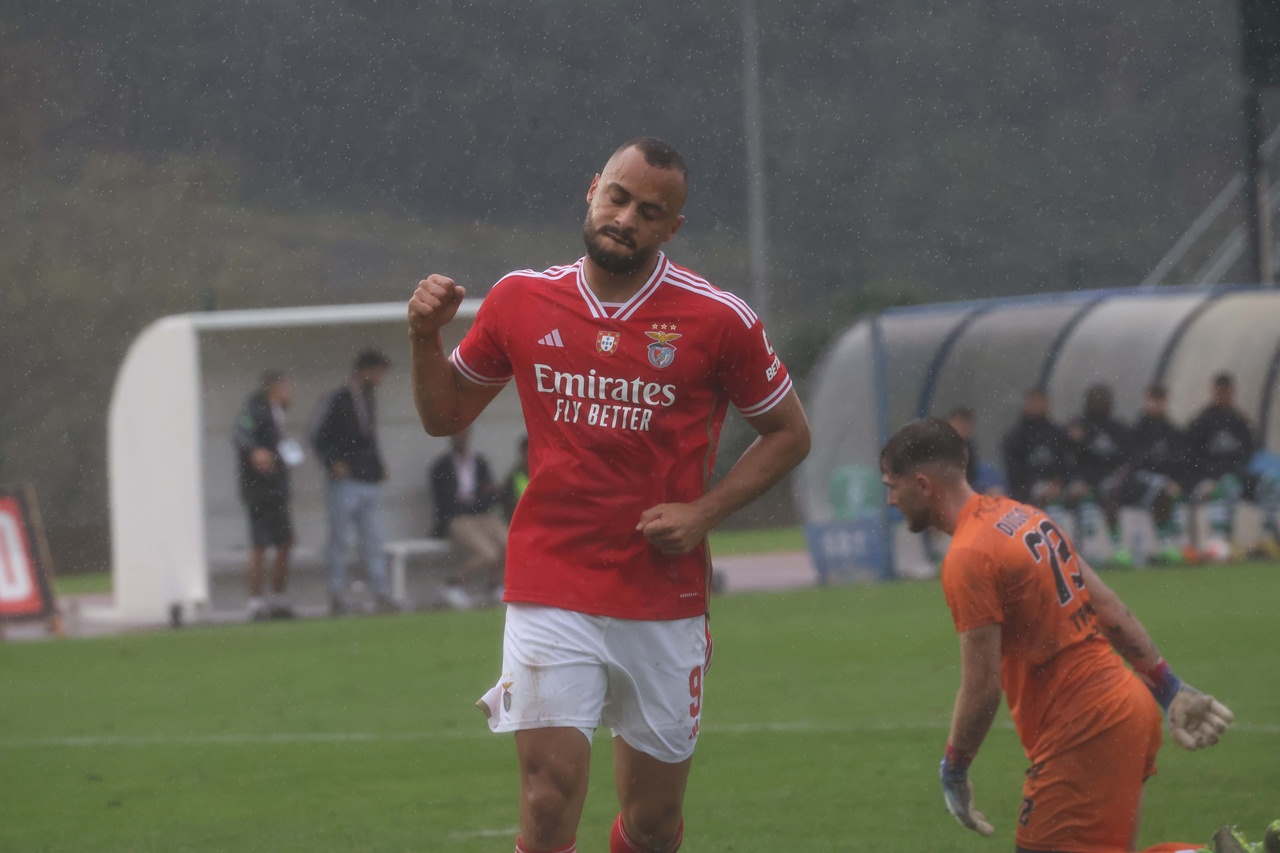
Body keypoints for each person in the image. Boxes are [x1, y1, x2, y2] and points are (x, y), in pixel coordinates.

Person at [407, 137, 810, 853]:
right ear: (592, 190)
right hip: (550, 577)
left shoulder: (718, 320)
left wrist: (704, 510)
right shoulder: (520, 299)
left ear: (671, 228)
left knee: (653, 823)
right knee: (546, 796)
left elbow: (788, 432)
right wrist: (423, 338)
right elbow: (445, 416)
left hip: (661, 595)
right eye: (617, 197)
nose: (626, 217)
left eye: (649, 211)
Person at [879, 418, 1234, 853]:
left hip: (1083, 728)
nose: (890, 500)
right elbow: (1108, 609)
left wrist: (954, 769)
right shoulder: (1024, 516)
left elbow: (981, 686)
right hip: (1124, 705)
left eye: (892, 486)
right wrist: (1167, 687)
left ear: (923, 484)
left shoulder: (969, 555)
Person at [312, 348, 396, 615]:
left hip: (367, 477)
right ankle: (336, 593)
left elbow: (369, 438)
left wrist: (378, 465)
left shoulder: (368, 398)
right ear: (366, 371)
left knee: (373, 538)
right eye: (379, 372)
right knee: (340, 539)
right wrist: (332, 461)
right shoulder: (337, 399)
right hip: (345, 480)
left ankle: (380, 591)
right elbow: (317, 435)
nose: (381, 379)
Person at [232, 370, 299, 620]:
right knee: (259, 545)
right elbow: (240, 433)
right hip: (258, 489)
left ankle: (278, 598)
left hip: (277, 488)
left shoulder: (279, 412)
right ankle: (255, 601)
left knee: (285, 542)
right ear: (274, 387)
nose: (289, 392)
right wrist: (255, 452)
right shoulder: (254, 408)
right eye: (285, 387)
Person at [429, 427, 506, 609]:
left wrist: (476, 502)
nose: (461, 438)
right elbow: (446, 502)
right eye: (457, 434)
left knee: (509, 543)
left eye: (464, 434)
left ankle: (495, 585)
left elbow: (490, 494)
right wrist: (475, 502)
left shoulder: (479, 462)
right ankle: (453, 583)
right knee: (489, 553)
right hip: (458, 518)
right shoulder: (441, 466)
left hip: (482, 515)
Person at [1184, 373, 1255, 558]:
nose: (1224, 395)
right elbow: (1191, 457)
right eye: (1220, 392)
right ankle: (1219, 543)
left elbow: (1250, 453)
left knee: (1271, 486)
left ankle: (1269, 542)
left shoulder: (1241, 421)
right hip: (1210, 479)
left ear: (1233, 392)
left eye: (1228, 392)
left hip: (1239, 478)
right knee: (1224, 488)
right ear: (1213, 391)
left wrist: (1241, 473)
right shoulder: (1202, 421)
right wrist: (1206, 478)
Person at [1066, 384, 1132, 563]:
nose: (1099, 403)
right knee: (1078, 497)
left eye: (1103, 399)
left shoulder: (1118, 428)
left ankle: (1118, 548)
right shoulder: (1078, 426)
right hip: (1083, 480)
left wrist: (1114, 479)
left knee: (1110, 495)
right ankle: (1082, 549)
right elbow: (1069, 458)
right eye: (1095, 399)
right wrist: (1076, 480)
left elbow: (1127, 460)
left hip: (1112, 480)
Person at [1122, 385, 1188, 562]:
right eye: (1153, 400)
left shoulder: (1172, 431)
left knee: (1171, 491)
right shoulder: (1136, 430)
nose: (1156, 405)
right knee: (1161, 489)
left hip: (1163, 482)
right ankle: (1163, 544)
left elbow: (1179, 463)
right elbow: (1132, 463)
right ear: (1146, 400)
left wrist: (1176, 481)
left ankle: (1171, 545)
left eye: (1160, 400)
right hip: (1136, 481)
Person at [1002, 388, 1075, 508]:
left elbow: (1066, 463)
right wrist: (1034, 486)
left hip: (1057, 493)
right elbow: (1014, 470)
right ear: (1026, 404)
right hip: (1026, 495)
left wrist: (1058, 483)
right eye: (1034, 402)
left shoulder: (1057, 433)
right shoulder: (1015, 436)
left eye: (1041, 402)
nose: (1037, 405)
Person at [501, 434, 531, 521]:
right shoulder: (513, 476)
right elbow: (507, 503)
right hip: (520, 520)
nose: (528, 456)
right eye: (526, 452)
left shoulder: (542, 474)